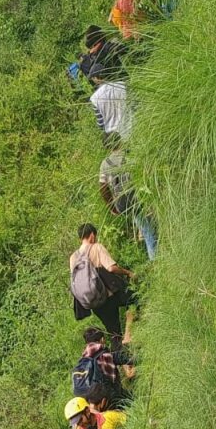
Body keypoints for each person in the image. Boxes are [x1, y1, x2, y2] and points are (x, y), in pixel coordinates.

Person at [69, 223, 136, 351]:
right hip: (108, 296)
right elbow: (111, 268)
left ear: (80, 238)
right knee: (133, 299)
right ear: (92, 235)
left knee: (114, 334)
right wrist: (128, 273)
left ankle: (126, 367)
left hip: (92, 302)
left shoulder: (73, 258)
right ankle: (128, 334)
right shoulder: (96, 247)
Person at [99, 149, 158, 261]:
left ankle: (141, 233)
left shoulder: (105, 164)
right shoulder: (130, 154)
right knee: (148, 229)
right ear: (120, 142)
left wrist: (112, 207)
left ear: (106, 147)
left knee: (143, 222)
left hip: (121, 203)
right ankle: (154, 259)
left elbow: (103, 188)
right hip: (137, 197)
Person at [72, 326, 130, 408]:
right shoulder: (103, 356)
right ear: (102, 339)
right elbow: (123, 358)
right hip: (107, 402)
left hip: (86, 406)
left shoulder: (82, 361)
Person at [89, 79, 132, 144]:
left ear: (97, 78)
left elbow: (101, 124)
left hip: (113, 138)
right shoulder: (122, 85)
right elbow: (134, 106)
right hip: (130, 128)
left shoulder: (94, 98)